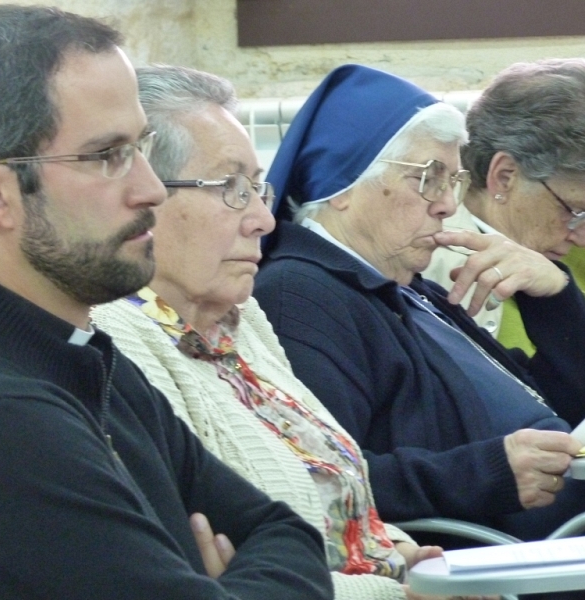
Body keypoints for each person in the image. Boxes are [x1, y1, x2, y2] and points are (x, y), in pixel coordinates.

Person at [89, 64, 488, 600]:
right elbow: (207, 569)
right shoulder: (115, 338)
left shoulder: (242, 318)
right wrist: (394, 591)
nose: (264, 219)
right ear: (142, 197)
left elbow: (321, 500)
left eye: (258, 188)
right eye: (230, 188)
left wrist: (390, 550)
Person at [0, 5, 334, 600]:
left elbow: (285, 531)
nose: (150, 190)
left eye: (140, 146)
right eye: (106, 155)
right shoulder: (8, 420)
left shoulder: (91, 362)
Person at [254, 63, 585, 544]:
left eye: (452, 180)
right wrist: (489, 473)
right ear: (343, 185)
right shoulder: (301, 296)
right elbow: (324, 479)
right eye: (429, 178)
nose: (449, 204)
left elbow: (554, 403)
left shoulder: (410, 290)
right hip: (500, 565)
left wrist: (554, 299)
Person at [423, 59, 585, 349]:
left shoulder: (560, 241)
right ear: (505, 176)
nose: (582, 238)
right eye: (574, 211)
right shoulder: (443, 275)